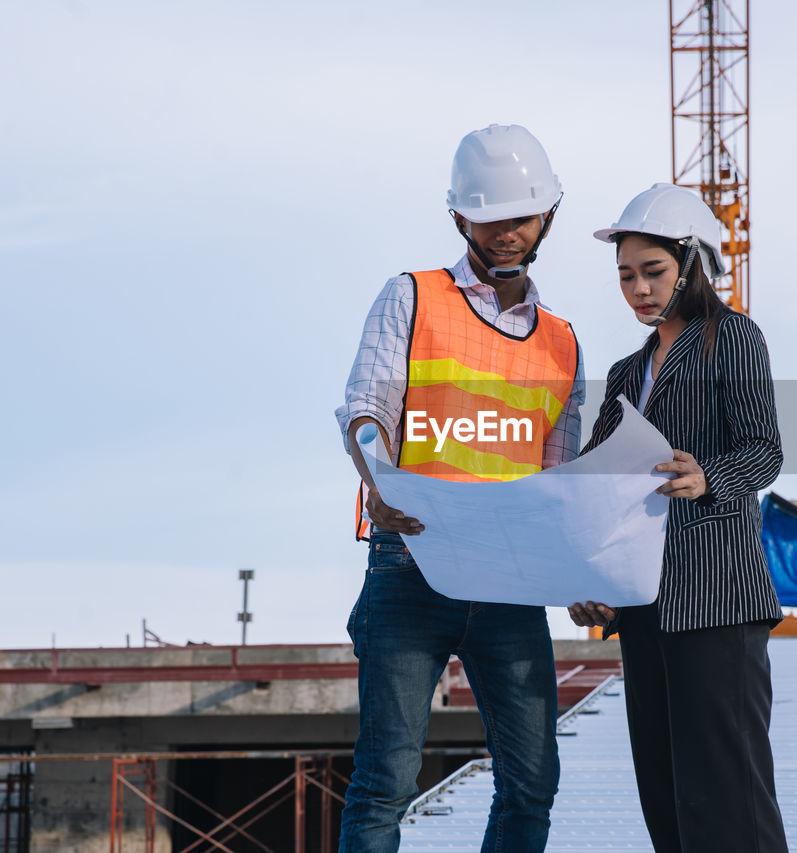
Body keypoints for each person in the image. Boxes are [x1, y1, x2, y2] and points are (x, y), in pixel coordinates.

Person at [334, 124, 584, 853]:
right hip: (411, 566)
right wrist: (377, 477)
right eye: (489, 216)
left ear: (545, 218)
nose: (506, 231)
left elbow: (556, 480)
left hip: (508, 581)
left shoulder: (563, 341)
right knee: (385, 780)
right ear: (459, 217)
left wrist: (574, 572)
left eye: (521, 216)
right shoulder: (412, 297)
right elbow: (364, 408)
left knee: (533, 780)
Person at [568, 184, 789, 852]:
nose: (637, 287)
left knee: (729, 792)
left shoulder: (733, 339)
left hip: (717, 598)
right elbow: (595, 484)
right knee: (664, 792)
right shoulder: (624, 372)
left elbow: (764, 451)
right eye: (626, 275)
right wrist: (589, 576)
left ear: (694, 263)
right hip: (643, 605)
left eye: (652, 271)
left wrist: (707, 476)